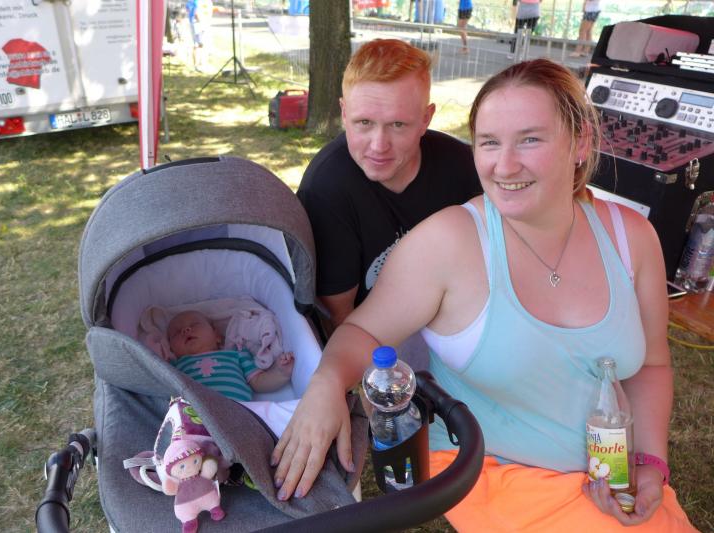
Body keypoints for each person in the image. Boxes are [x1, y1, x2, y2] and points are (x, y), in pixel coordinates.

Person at [272, 59, 697, 531]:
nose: (504, 165)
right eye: (490, 142)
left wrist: (650, 462)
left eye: (530, 139)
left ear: (580, 143)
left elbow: (651, 365)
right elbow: (362, 330)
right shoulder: (449, 241)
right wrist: (327, 382)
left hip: (611, 470)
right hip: (495, 471)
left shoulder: (631, 237)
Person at [296, 39, 480, 346]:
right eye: (364, 122)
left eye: (397, 124)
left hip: (458, 325)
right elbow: (339, 319)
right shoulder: (326, 190)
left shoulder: (464, 166)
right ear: (344, 113)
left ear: (426, 119)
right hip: (379, 342)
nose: (379, 145)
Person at [167, 310, 294, 402]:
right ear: (171, 348)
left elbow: (258, 382)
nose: (186, 330)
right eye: (176, 332)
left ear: (217, 336)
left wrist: (281, 373)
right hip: (193, 414)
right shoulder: (174, 366)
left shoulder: (236, 354)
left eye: (195, 324)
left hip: (236, 410)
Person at [186, 0, 212, 72]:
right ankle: (199, 65)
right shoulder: (197, 1)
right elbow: (196, 12)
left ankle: (199, 64)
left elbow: (188, 8)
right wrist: (201, 23)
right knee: (199, 45)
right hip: (198, 23)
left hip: (196, 22)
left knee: (198, 44)